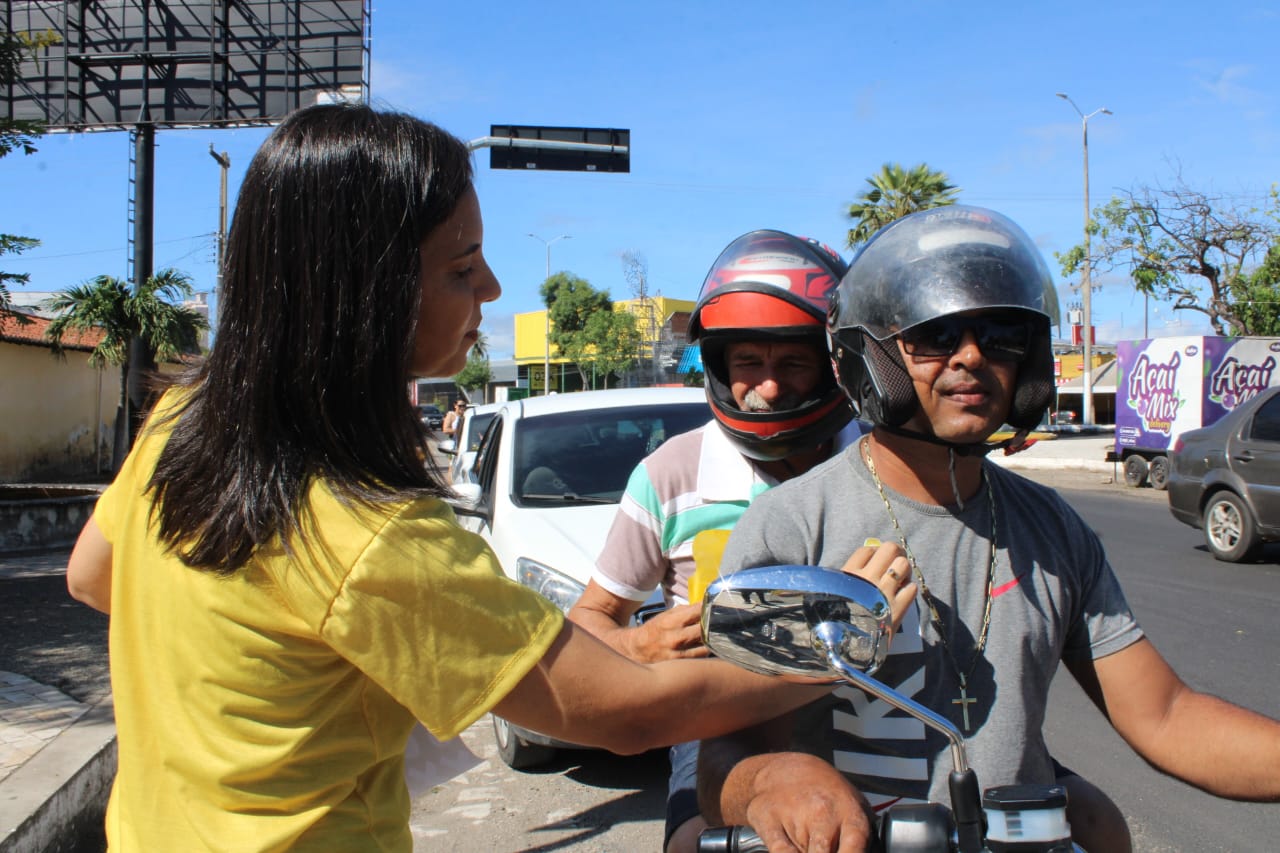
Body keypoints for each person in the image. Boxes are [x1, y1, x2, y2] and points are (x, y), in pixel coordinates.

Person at [62, 104, 913, 851]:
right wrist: (830, 640)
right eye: (462, 269)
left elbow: (94, 574)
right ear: (365, 294)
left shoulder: (191, 417)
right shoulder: (371, 531)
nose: (493, 288)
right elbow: (625, 712)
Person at [696, 206, 1280, 852]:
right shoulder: (792, 528)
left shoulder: (1055, 531)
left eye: (1000, 334)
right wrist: (772, 779)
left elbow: (1167, 715)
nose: (971, 356)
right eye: (935, 334)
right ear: (873, 353)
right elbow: (720, 750)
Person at [568, 230, 892, 853]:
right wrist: (638, 641)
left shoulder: (883, 466)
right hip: (718, 732)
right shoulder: (671, 475)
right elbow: (589, 621)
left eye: (792, 363)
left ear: (832, 363)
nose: (767, 388)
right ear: (718, 366)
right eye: (747, 363)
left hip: (875, 721)